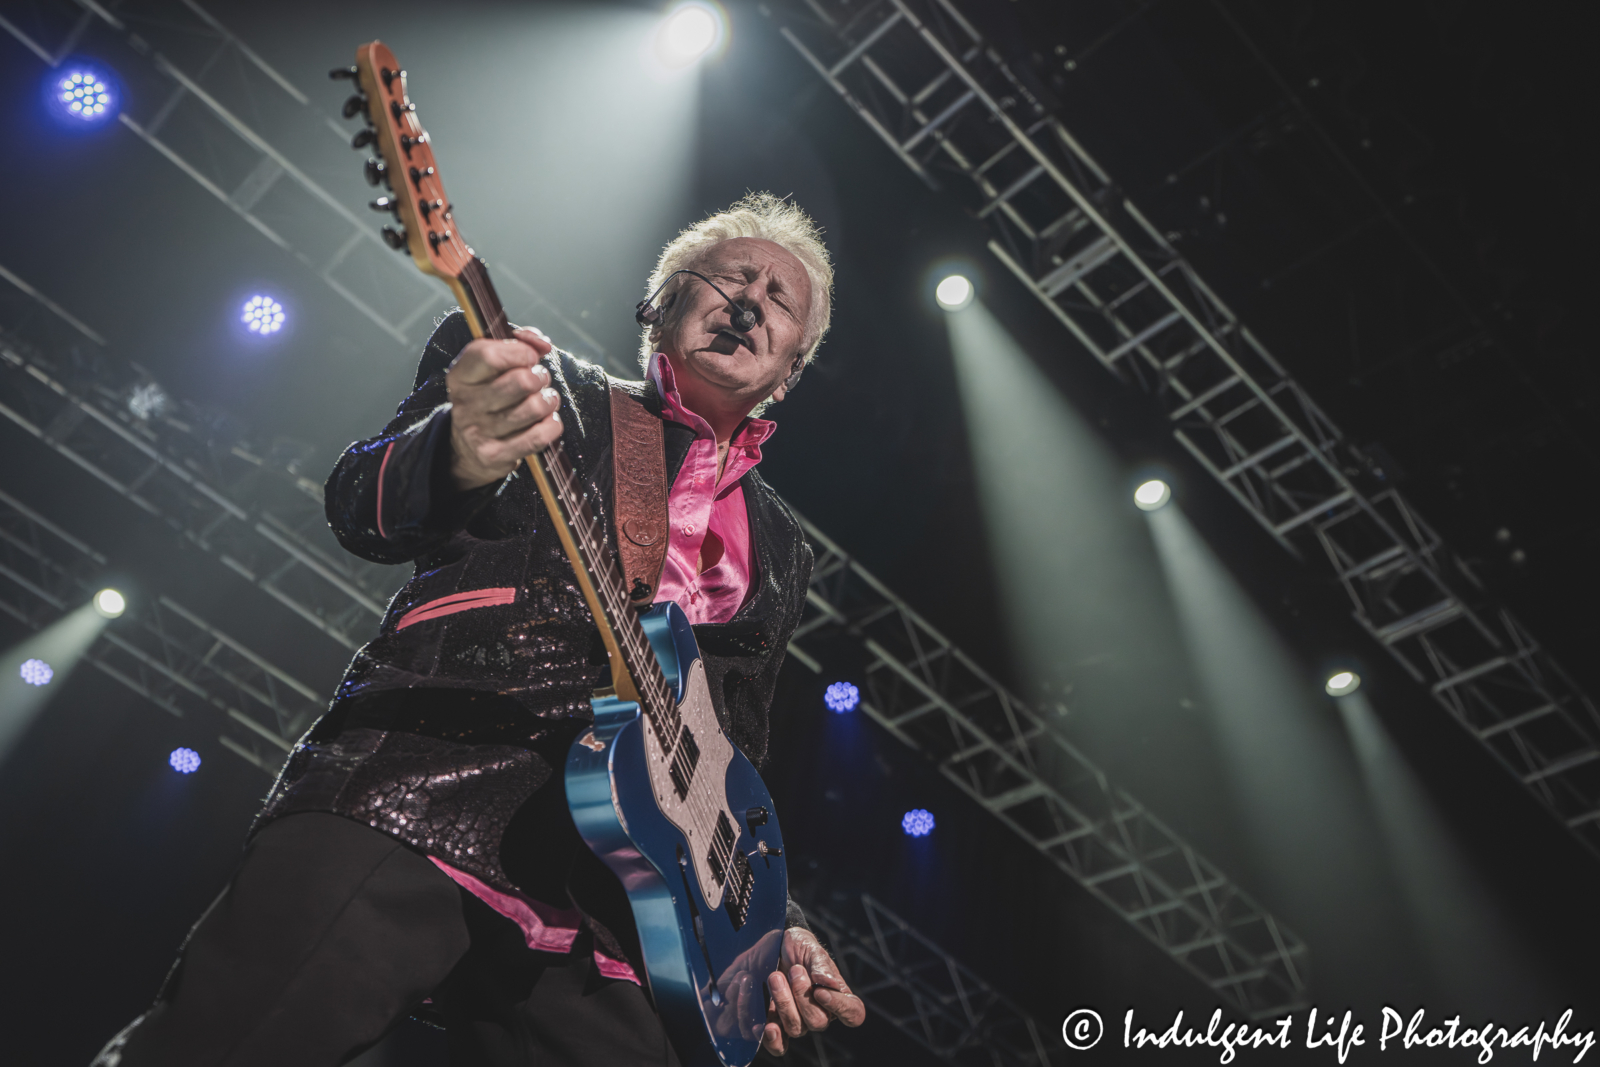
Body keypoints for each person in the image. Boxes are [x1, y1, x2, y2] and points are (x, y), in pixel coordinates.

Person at [93, 193, 865, 1066]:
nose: (751, 300)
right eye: (730, 276)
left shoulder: (784, 547)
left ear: (791, 368)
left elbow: (733, 751)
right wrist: (458, 448)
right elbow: (362, 508)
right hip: (429, 782)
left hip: (620, 908)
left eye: (779, 297)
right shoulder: (538, 388)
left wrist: (763, 926)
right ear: (660, 307)